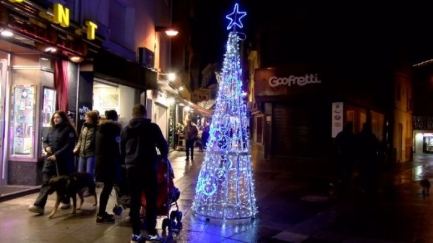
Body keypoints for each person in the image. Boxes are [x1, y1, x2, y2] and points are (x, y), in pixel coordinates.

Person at [120, 104, 168, 243]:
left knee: (135, 199)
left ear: (133, 114)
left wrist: (126, 161)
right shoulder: (152, 128)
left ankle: (136, 233)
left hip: (132, 167)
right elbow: (162, 145)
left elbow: (121, 149)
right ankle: (152, 233)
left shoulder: (126, 129)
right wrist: (163, 157)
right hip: (148, 166)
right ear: (145, 113)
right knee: (151, 199)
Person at [28, 110, 77, 214]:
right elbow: (45, 140)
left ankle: (66, 200)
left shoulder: (69, 130)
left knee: (63, 183)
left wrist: (57, 155)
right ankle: (39, 205)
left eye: (58, 117)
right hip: (50, 160)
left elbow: (69, 146)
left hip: (63, 161)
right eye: (54, 117)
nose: (55, 119)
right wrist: (46, 148)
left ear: (63, 118)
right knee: (46, 182)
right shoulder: (50, 129)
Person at [95, 110, 122, 223]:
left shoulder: (100, 129)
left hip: (100, 162)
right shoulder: (114, 129)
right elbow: (117, 148)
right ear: (116, 118)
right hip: (110, 163)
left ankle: (101, 213)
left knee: (106, 188)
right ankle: (101, 214)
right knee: (108, 188)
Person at [74, 110, 98, 179]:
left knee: (89, 173)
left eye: (87, 117)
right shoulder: (84, 126)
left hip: (91, 153)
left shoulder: (96, 128)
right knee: (80, 172)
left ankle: (90, 188)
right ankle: (81, 188)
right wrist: (77, 147)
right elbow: (80, 139)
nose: (85, 118)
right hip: (82, 153)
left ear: (92, 118)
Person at [335, 121, 356, 190]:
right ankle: (347, 186)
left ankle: (342, 186)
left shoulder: (340, 135)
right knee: (348, 173)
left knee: (342, 172)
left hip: (342, 157)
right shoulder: (352, 136)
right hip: (349, 158)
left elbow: (335, 144)